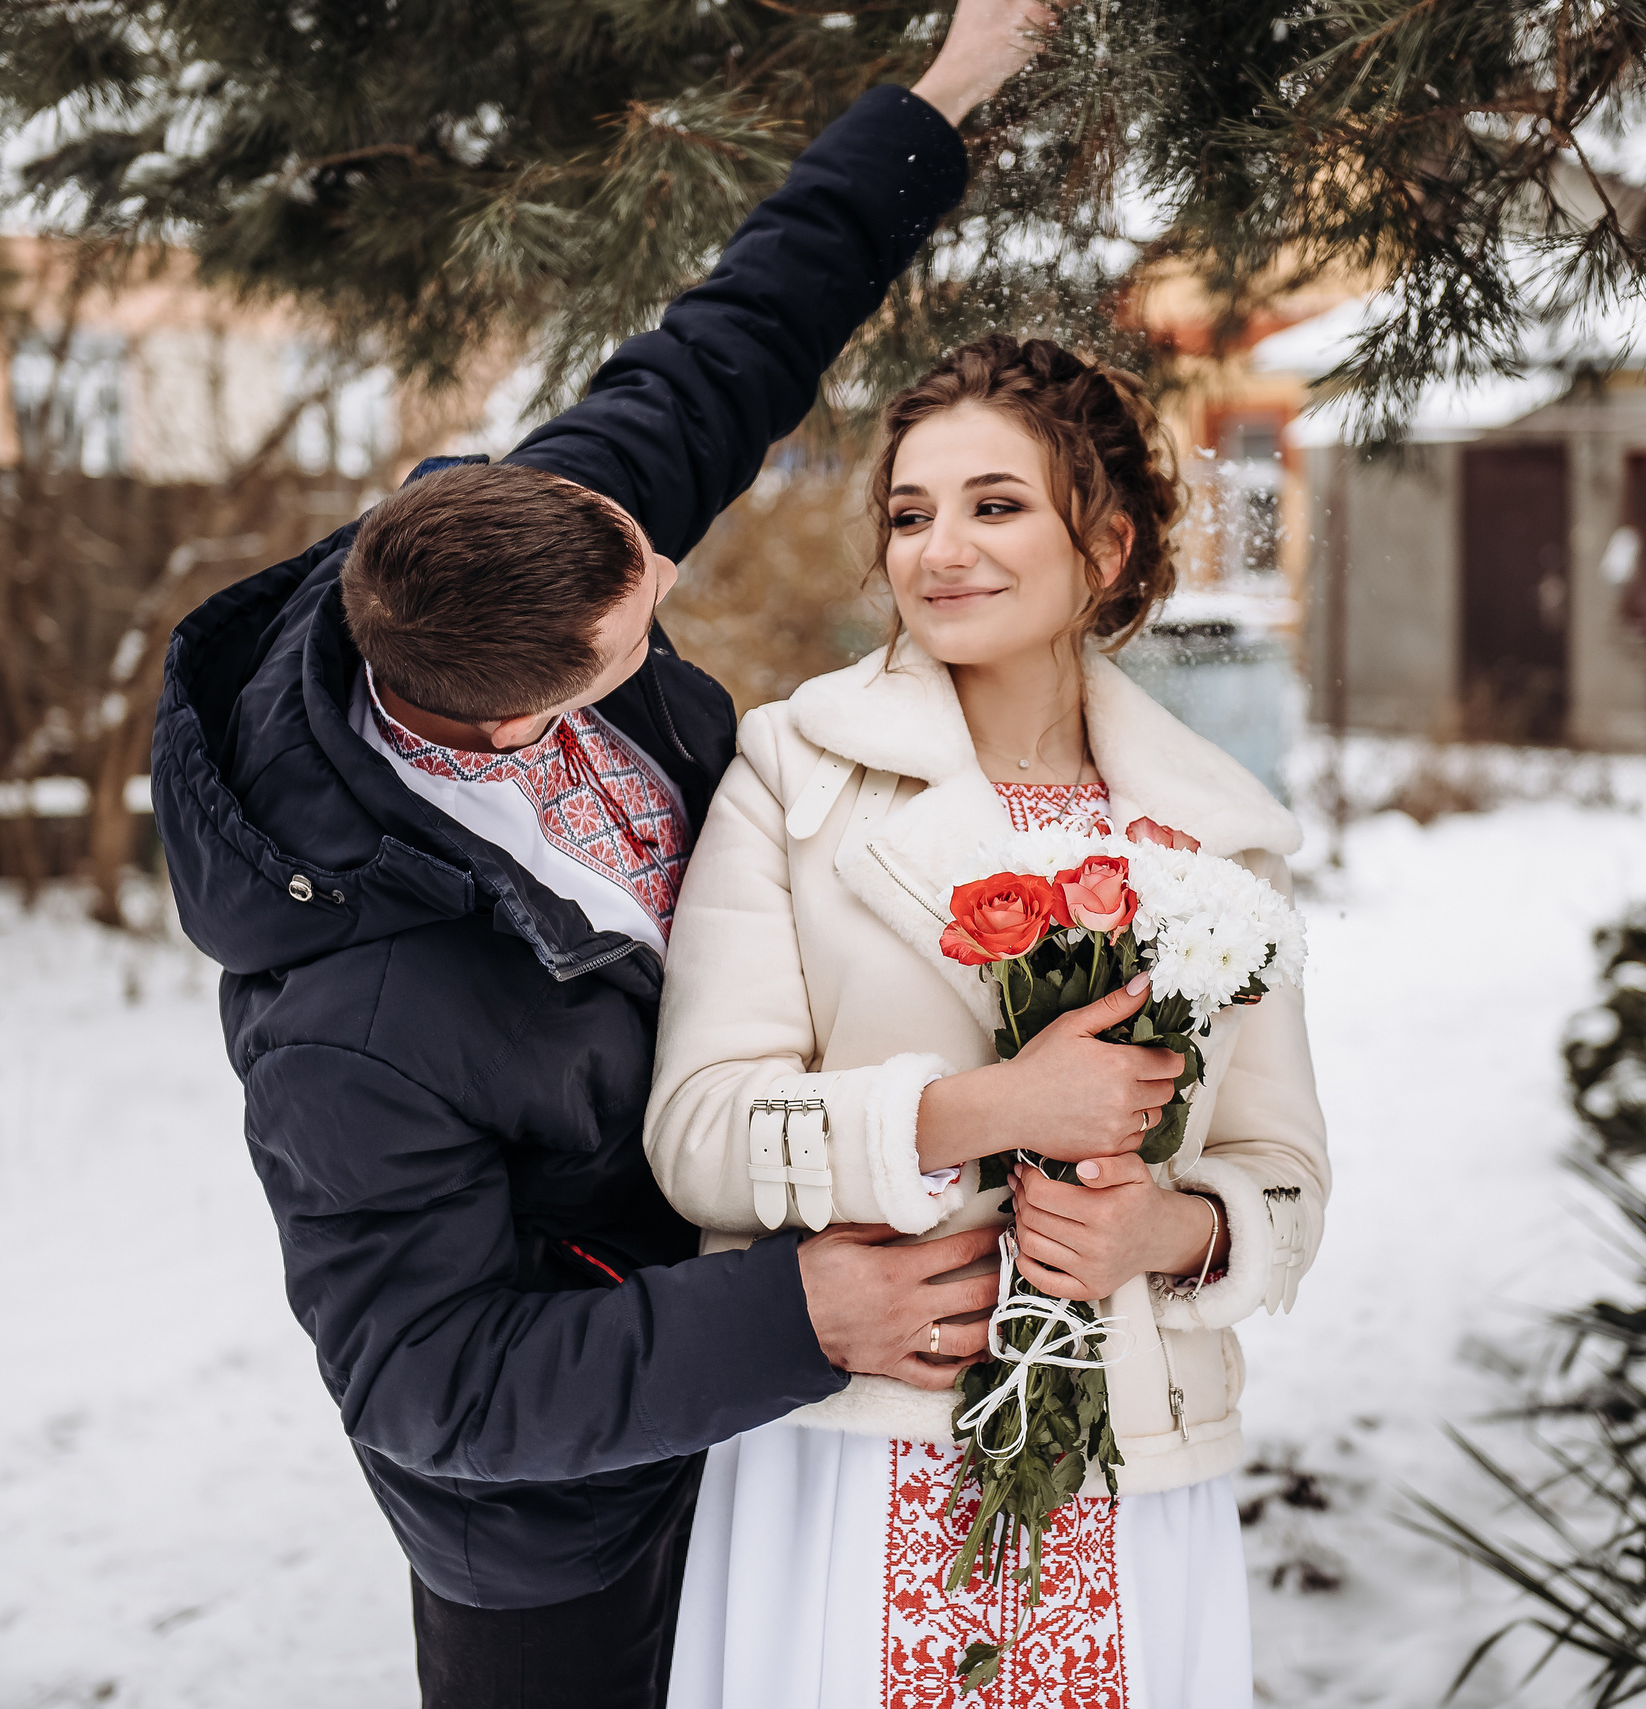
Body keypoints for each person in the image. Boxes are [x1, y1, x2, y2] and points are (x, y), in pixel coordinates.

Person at [148, 9, 1091, 1705]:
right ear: (508, 722)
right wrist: (800, 1317)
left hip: (796, 1374)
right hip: (571, 1514)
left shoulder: (517, 554)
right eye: (630, 620)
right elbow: (432, 1377)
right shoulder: (347, 1021)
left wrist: (950, 86)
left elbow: (739, 332)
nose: (664, 581)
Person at [644, 334, 1331, 1706]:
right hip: (860, 1451)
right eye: (910, 513)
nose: (939, 547)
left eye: (994, 504)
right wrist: (979, 1113)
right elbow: (698, 1130)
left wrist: (1173, 1231)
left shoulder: (1219, 834)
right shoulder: (800, 772)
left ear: (1110, 542)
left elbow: (1287, 1176)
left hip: (1127, 1469)